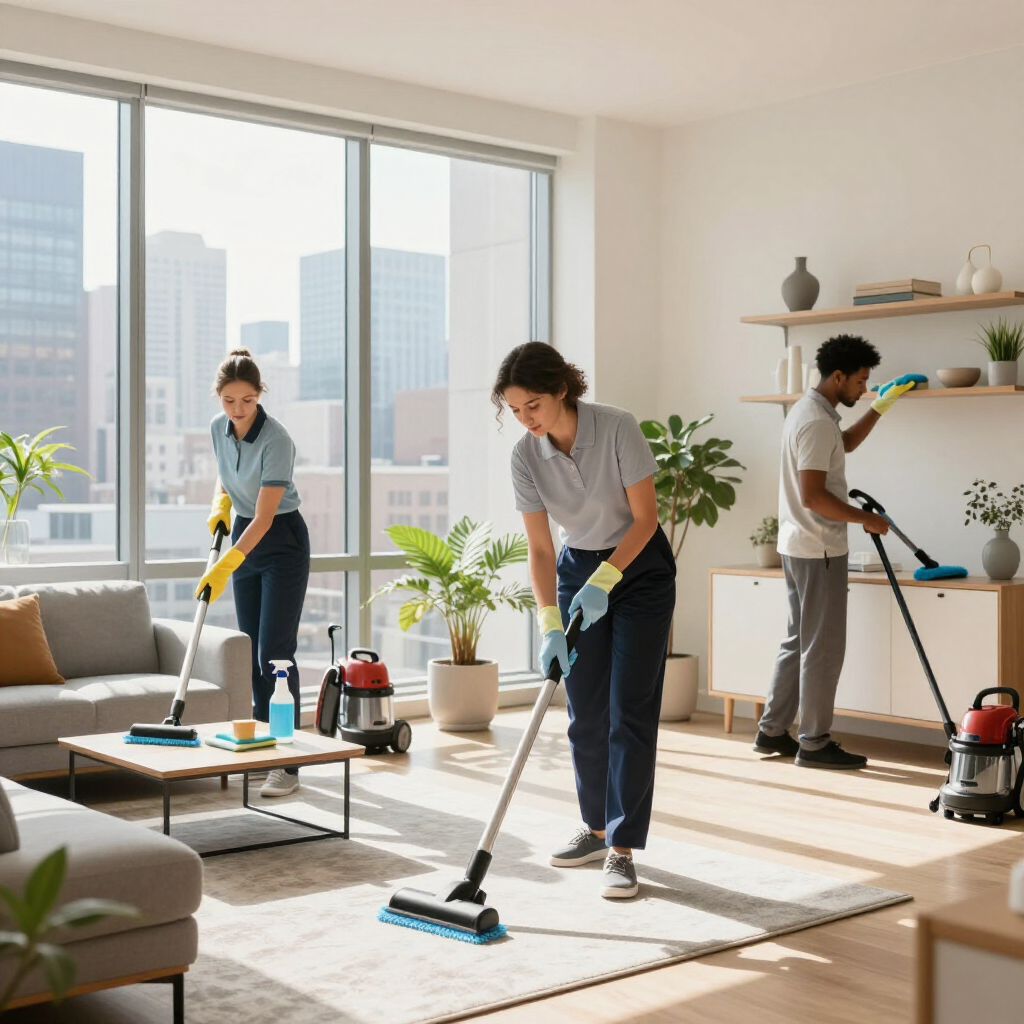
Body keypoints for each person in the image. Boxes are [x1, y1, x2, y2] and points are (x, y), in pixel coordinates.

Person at [492, 342, 676, 900]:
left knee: (630, 711)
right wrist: (550, 618)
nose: (527, 420)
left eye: (534, 406)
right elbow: (540, 548)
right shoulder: (526, 456)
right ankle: (594, 829)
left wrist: (608, 580)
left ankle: (621, 850)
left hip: (638, 569)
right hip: (577, 571)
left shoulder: (617, 428)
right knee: (584, 710)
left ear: (562, 391)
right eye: (516, 410)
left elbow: (646, 519)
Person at [754, 334, 921, 769]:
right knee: (823, 649)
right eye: (862, 383)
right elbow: (813, 496)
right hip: (819, 549)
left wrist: (881, 407)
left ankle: (772, 731)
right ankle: (813, 742)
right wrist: (864, 518)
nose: (864, 389)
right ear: (838, 376)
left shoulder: (812, 413)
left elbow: (842, 445)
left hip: (799, 545)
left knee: (798, 641)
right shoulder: (813, 421)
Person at [196, 347, 310, 798]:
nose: (238, 409)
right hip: (244, 532)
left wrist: (225, 565)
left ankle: (289, 765)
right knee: (251, 657)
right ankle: (265, 747)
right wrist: (220, 505)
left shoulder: (277, 440)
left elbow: (265, 518)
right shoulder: (216, 429)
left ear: (260, 395)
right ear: (219, 398)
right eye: (229, 400)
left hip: (280, 540)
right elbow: (225, 475)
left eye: (247, 399)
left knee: (275, 653)